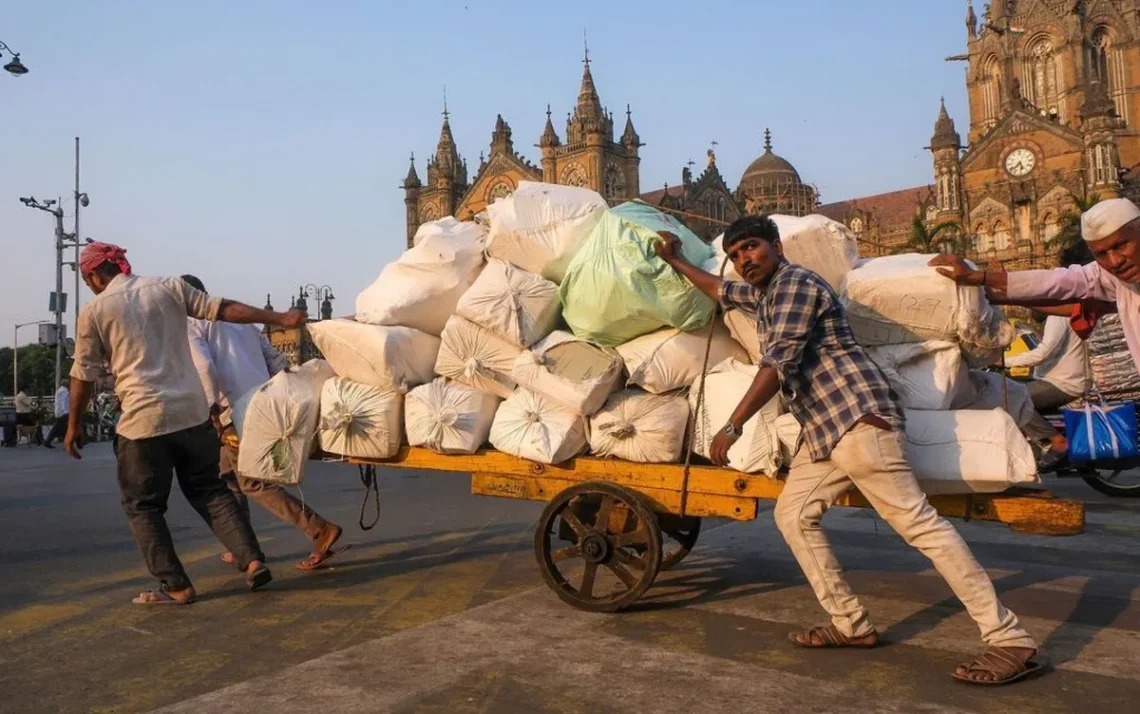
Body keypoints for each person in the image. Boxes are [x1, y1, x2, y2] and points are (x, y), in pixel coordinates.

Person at [654, 216, 1040, 685]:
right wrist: (674, 260)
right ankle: (851, 624)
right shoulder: (763, 294)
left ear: (776, 246)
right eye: (736, 255)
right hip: (823, 432)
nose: (743, 261)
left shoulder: (795, 284)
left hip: (858, 420)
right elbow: (719, 289)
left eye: (751, 248)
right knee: (792, 515)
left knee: (920, 527)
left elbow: (778, 362)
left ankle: (1008, 638)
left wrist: (732, 426)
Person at [64, 241, 306, 606]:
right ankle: (252, 560)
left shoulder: (95, 310)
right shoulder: (169, 287)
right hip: (192, 414)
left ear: (94, 275)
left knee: (143, 506)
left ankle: (176, 585)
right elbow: (223, 308)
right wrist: (280, 319)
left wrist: (72, 427)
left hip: (142, 422)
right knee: (210, 490)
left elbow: (83, 374)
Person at [182, 274, 346, 571]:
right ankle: (240, 545)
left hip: (232, 411)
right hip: (261, 403)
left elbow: (204, 366)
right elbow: (275, 360)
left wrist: (212, 409)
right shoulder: (240, 324)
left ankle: (319, 528)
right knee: (226, 476)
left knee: (251, 481)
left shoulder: (191, 322)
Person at [931, 197, 1140, 375]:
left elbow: (1045, 348)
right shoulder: (1113, 280)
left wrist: (988, 281)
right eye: (1101, 254)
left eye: (1121, 245)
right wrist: (990, 287)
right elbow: (1058, 283)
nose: (1114, 261)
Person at [43, 382, 70, 449]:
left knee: (61, 428)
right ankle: (77, 442)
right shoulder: (64, 391)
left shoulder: (59, 390)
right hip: (63, 412)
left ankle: (72, 442)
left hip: (59, 412)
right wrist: (65, 411)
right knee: (58, 428)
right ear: (66, 385)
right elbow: (64, 401)